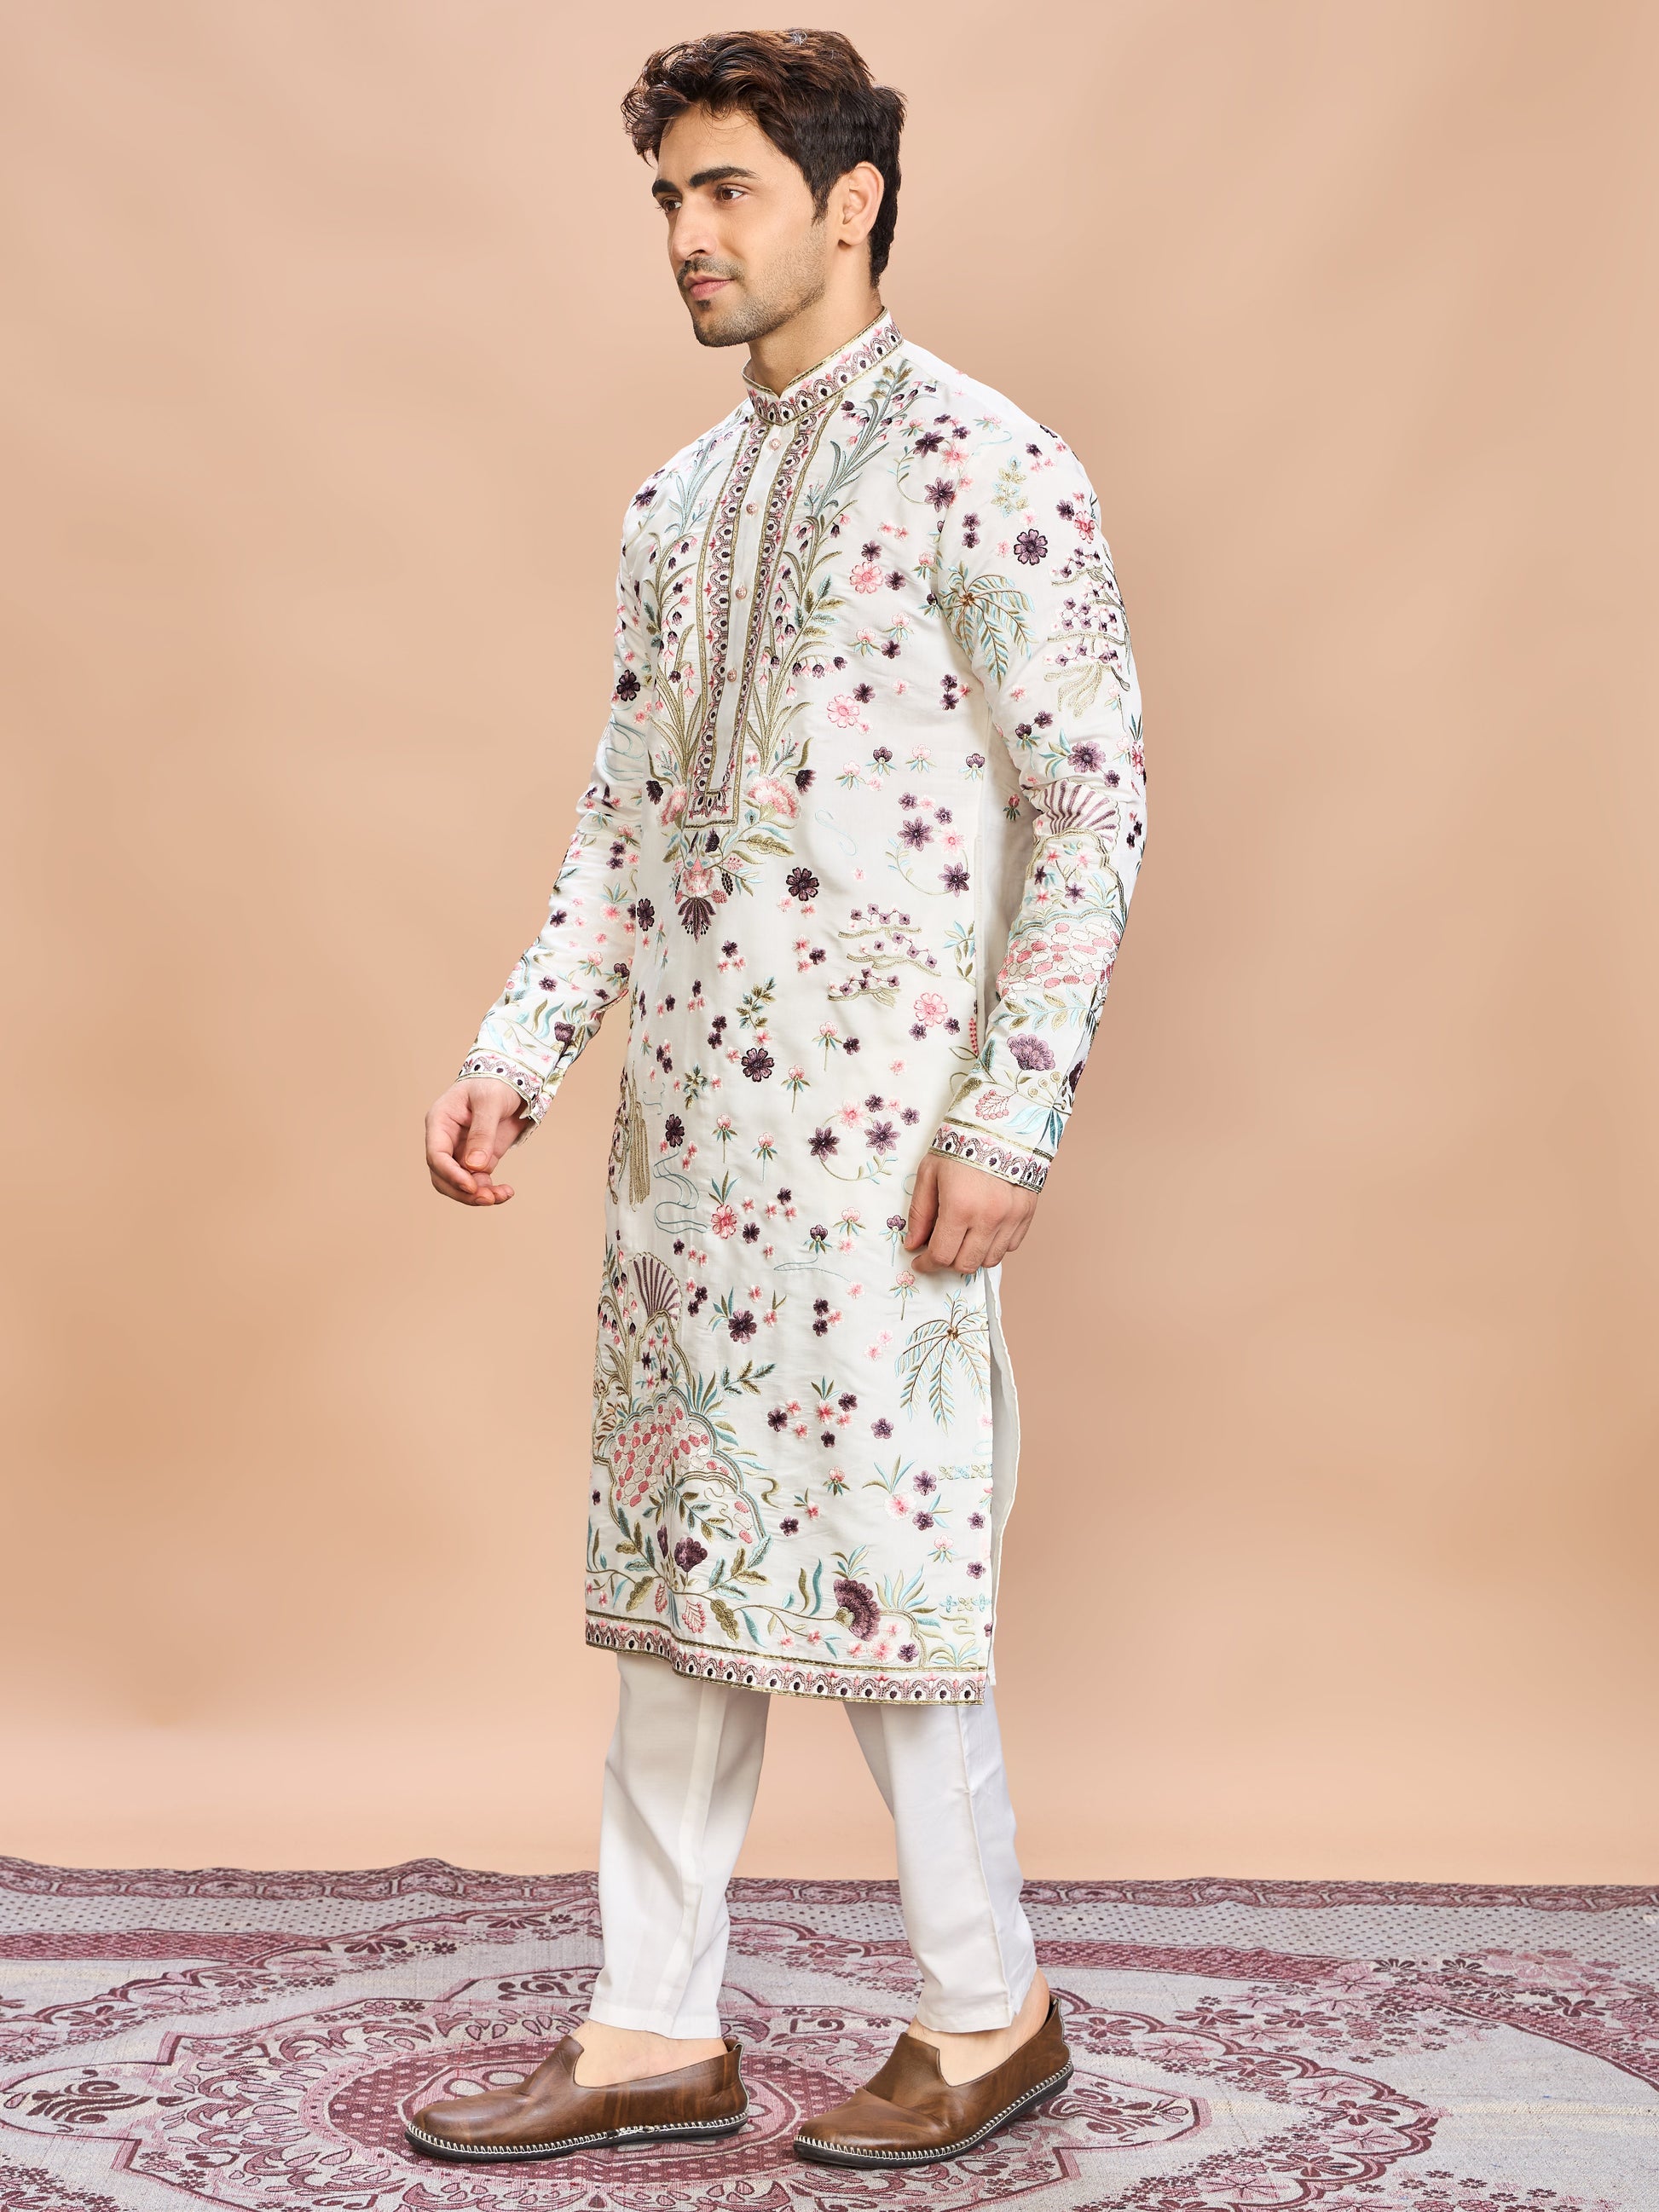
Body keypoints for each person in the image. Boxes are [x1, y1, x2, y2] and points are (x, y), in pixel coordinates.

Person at [412, 25, 1146, 2172]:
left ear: (852, 201)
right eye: (669, 196)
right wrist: (517, 1050)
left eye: (727, 189)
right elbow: (624, 821)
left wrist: (1010, 1116)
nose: (687, 235)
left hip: (887, 1149)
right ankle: (652, 2023)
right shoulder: (674, 505)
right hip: (689, 1154)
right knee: (675, 1570)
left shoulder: (992, 464)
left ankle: (986, 2005)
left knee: (897, 1579)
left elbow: (1091, 803)